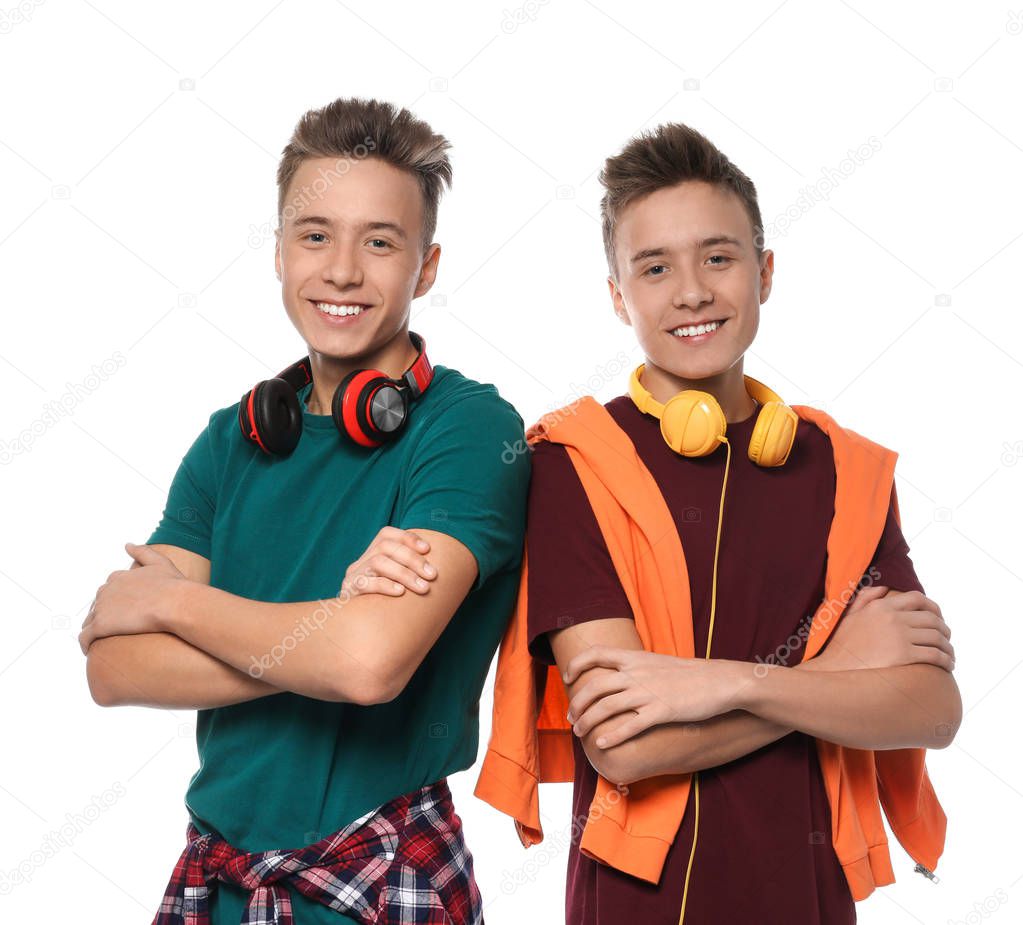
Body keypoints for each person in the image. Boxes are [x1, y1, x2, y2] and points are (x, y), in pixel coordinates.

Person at [475, 122, 961, 924]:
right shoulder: (574, 462)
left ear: (764, 273)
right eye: (654, 267)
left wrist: (725, 681)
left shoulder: (842, 468)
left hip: (809, 896)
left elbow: (931, 709)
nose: (691, 291)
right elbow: (625, 743)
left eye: (718, 257)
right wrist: (832, 674)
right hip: (637, 902)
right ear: (616, 295)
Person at [80, 96, 530, 925]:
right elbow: (113, 667)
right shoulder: (230, 440)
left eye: (381, 241)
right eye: (314, 234)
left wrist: (175, 604)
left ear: (425, 268)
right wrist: (327, 630)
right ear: (280, 249)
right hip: (214, 880)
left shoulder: (469, 430)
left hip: (378, 874)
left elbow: (367, 666)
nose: (342, 271)